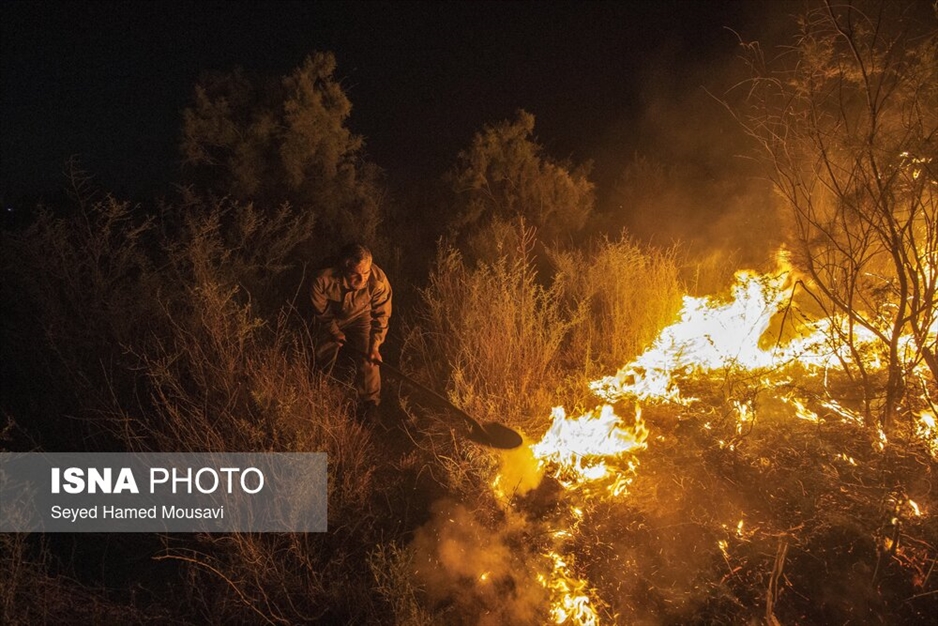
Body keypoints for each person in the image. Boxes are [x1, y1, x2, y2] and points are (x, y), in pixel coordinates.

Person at [311, 243, 392, 415]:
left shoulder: (378, 281)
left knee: (370, 357)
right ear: (344, 268)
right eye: (355, 274)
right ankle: (316, 392)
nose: (362, 280)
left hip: (361, 316)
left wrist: (375, 345)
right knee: (324, 351)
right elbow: (321, 310)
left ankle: (370, 404)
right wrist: (335, 332)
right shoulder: (323, 278)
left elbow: (382, 315)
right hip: (332, 316)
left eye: (366, 273)